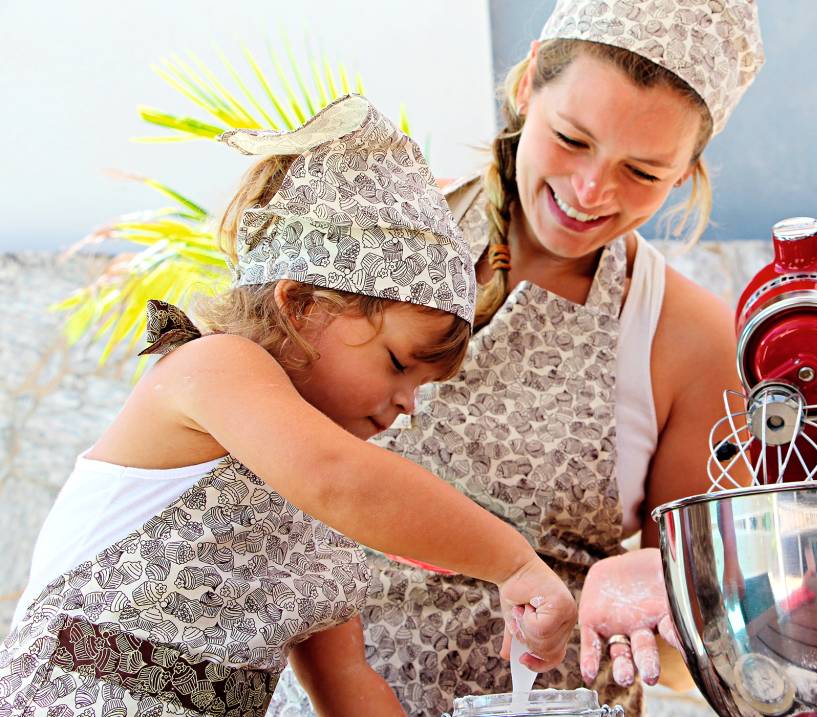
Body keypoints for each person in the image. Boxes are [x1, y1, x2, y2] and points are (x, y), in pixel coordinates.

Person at [0, 95, 576, 717]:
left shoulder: (321, 518)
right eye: (398, 363)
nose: (409, 403)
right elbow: (340, 480)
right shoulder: (213, 366)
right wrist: (514, 562)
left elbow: (349, 684)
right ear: (301, 304)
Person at [269, 1, 765, 714]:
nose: (593, 191)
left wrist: (646, 599)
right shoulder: (372, 245)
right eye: (572, 138)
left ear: (688, 170)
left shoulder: (691, 340)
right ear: (530, 80)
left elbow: (709, 648)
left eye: (645, 172)